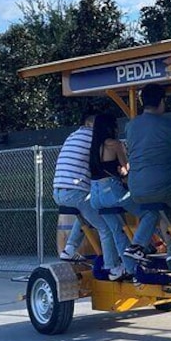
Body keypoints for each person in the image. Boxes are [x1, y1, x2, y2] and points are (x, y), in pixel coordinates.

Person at [123, 84, 171, 269]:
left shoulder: (131, 126)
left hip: (136, 188)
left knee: (160, 206)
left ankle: (165, 247)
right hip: (164, 187)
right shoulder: (170, 125)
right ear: (162, 101)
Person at [88, 113, 138, 280]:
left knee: (117, 231)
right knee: (147, 213)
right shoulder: (115, 144)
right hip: (112, 191)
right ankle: (145, 249)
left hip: (95, 194)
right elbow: (125, 169)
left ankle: (124, 268)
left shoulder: (94, 147)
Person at [52, 112, 99, 261]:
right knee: (106, 228)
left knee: (85, 214)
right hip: (75, 191)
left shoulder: (72, 136)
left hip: (58, 190)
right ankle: (114, 264)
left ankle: (69, 249)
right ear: (90, 124)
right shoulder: (93, 137)